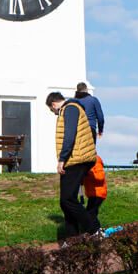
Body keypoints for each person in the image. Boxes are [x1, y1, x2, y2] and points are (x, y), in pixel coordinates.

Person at [46, 91, 100, 238]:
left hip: (77, 159)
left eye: (53, 111)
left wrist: (62, 159)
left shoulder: (70, 109)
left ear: (53, 104)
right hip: (78, 158)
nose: (55, 114)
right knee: (66, 201)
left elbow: (69, 136)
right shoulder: (72, 108)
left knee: (67, 199)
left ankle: (95, 229)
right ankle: (72, 239)